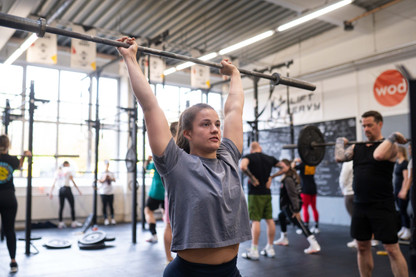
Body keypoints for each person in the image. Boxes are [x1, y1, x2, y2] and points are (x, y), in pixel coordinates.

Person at [117, 36, 251, 277]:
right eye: (206, 124)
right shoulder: (176, 163)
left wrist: (236, 75)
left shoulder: (228, 157)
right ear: (187, 133)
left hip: (231, 272)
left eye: (217, 124)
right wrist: (130, 59)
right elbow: (149, 106)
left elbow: (234, 110)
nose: (215, 129)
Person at [335, 110, 409, 277]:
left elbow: (378, 154)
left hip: (382, 205)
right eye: (363, 126)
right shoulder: (357, 147)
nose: (366, 129)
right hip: (360, 204)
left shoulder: (391, 146)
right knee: (362, 246)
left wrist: (393, 136)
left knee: (391, 249)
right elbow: (339, 157)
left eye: (369, 125)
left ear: (379, 124)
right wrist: (339, 142)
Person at [240, 141, 279, 260]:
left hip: (255, 194)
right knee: (269, 219)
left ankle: (254, 251)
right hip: (267, 193)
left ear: (251, 149)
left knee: (255, 220)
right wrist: (272, 177)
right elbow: (285, 167)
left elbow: (242, 166)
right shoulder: (269, 158)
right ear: (260, 148)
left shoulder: (249, 157)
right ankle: (270, 248)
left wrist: (251, 177)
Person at [273, 159, 321, 254]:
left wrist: (296, 210)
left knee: (299, 224)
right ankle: (284, 238)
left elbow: (293, 194)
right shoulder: (289, 176)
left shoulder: (288, 179)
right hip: (288, 205)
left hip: (291, 206)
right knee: (281, 216)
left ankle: (314, 244)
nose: (281, 169)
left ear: (288, 166)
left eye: (283, 167)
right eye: (280, 167)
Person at [0, 135, 31, 273]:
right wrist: (25, 156)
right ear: (8, 146)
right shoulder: (12, 160)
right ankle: (13, 263)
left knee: (8, 230)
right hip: (9, 198)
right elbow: (20, 165)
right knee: (9, 230)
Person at [49, 161, 83, 228]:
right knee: (72, 206)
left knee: (61, 207)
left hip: (60, 190)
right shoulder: (68, 171)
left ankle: (60, 223)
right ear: (66, 165)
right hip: (67, 189)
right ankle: (73, 222)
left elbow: (54, 182)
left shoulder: (58, 172)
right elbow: (72, 181)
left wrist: (51, 192)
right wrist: (78, 190)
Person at [292, 158, 320, 234]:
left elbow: (292, 168)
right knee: (314, 208)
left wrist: (294, 161)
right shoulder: (312, 164)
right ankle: (316, 227)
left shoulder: (302, 165)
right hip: (313, 188)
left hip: (305, 190)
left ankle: (306, 226)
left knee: (305, 208)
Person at [163, 122, 178, 264]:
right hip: (173, 193)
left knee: (171, 225)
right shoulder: (173, 148)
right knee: (169, 225)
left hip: (173, 193)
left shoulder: (171, 149)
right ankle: (169, 258)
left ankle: (171, 258)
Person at [144, 155, 165, 243]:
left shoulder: (156, 162)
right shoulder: (171, 161)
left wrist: (148, 160)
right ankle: (172, 234)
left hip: (156, 191)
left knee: (148, 211)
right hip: (167, 191)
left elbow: (145, 168)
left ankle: (154, 235)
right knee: (166, 213)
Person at [393, 146, 410, 240]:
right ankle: (403, 228)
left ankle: (407, 229)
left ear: (400, 152)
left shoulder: (405, 163)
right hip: (396, 189)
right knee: (400, 210)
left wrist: (403, 190)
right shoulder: (397, 163)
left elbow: (406, 178)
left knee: (403, 210)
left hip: (402, 190)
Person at [339, 160, 356, 248]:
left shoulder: (347, 163)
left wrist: (343, 189)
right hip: (359, 193)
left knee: (353, 217)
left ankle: (357, 240)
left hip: (349, 193)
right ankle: (372, 239)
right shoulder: (359, 162)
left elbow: (343, 179)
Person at [98, 160, 116, 225]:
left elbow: (114, 179)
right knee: (104, 206)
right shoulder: (101, 173)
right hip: (103, 192)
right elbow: (99, 181)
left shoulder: (111, 173)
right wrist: (105, 178)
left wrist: (110, 178)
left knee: (111, 206)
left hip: (110, 191)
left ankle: (112, 218)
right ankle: (106, 219)